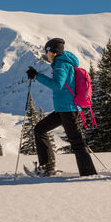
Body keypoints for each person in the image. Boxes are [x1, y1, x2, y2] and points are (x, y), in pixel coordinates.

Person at [26, 38, 97, 177]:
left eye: (47, 51)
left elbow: (57, 85)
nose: (45, 54)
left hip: (68, 110)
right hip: (63, 109)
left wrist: (37, 76)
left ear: (53, 51)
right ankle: (47, 167)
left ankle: (89, 174)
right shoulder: (63, 63)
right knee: (39, 129)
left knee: (76, 142)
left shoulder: (60, 64)